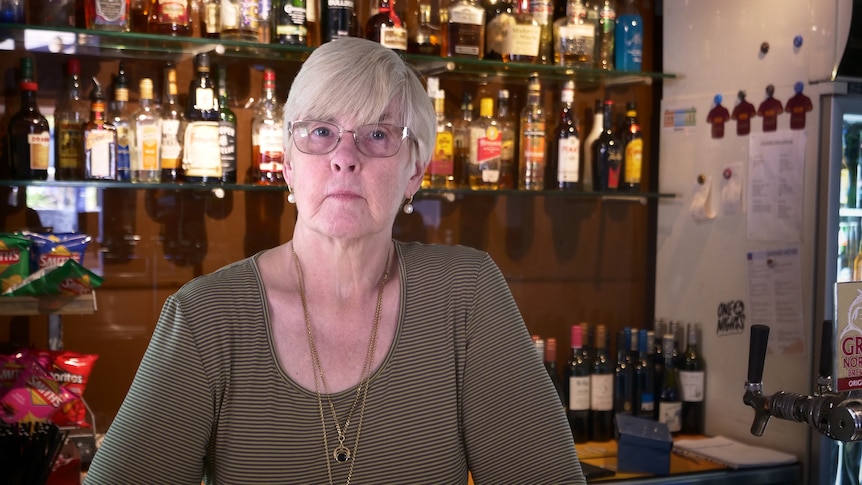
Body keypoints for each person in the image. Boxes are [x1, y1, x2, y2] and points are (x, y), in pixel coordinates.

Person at [85, 37, 585, 484]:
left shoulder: (466, 294)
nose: (345, 157)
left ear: (415, 173)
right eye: (321, 132)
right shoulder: (206, 317)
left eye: (378, 135)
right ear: (287, 165)